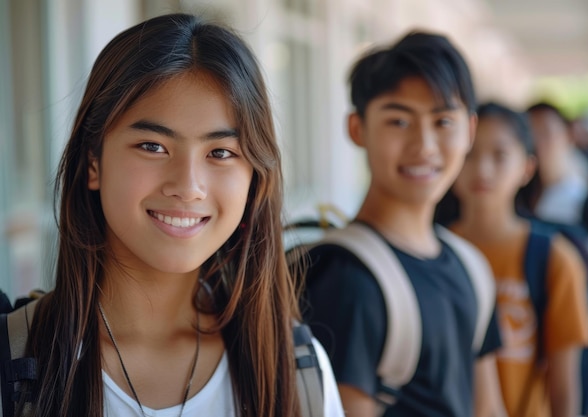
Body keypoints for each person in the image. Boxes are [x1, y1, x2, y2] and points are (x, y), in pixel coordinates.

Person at [0, 13, 344, 417]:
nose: (187, 185)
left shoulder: (296, 372)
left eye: (220, 153)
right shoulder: (17, 367)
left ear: (254, 179)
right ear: (93, 162)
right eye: (152, 146)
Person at [302, 32, 506, 417]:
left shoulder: (471, 266)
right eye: (398, 120)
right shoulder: (349, 279)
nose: (424, 145)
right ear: (357, 129)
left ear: (470, 131)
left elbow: (488, 407)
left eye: (443, 121)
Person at [437, 102, 588, 417]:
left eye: (500, 155)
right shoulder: (431, 251)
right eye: (469, 154)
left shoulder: (555, 259)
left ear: (527, 168)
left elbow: (564, 389)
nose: (482, 169)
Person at [524, 103, 588, 416]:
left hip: (583, 326)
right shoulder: (524, 198)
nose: (540, 141)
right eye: (530, 133)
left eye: (547, 132)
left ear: (568, 135)